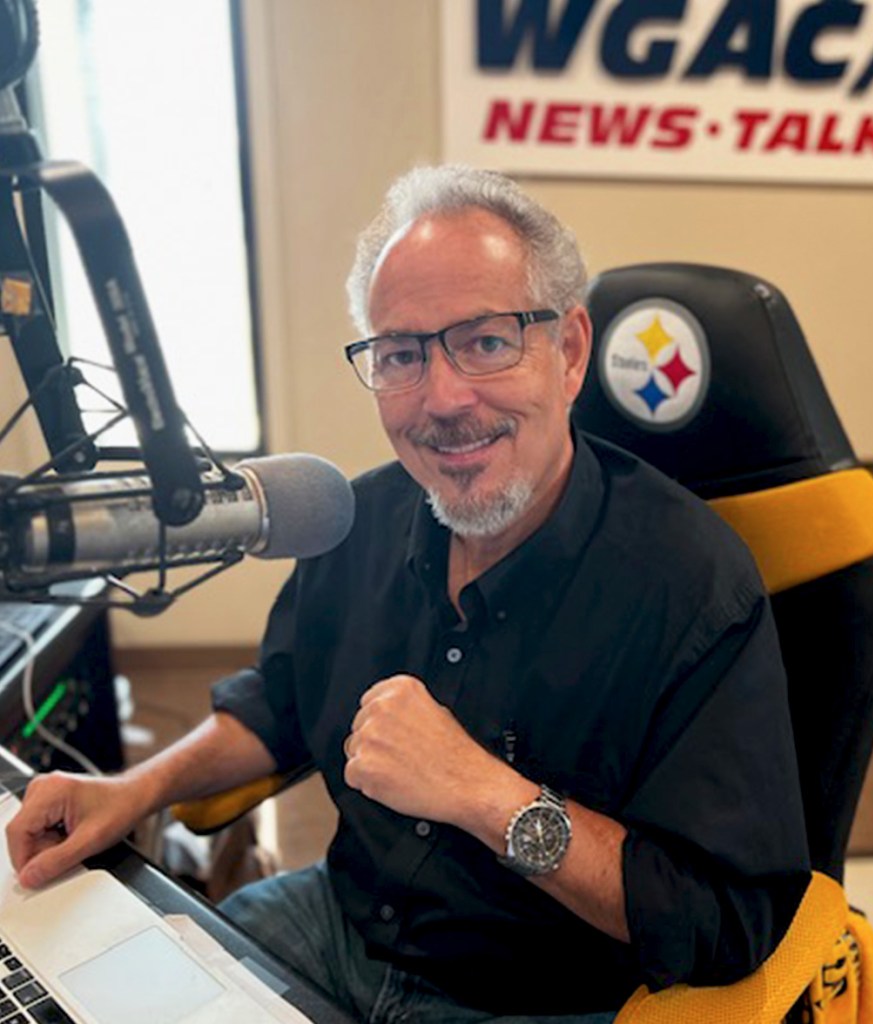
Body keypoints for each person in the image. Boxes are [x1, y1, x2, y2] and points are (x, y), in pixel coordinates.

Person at [5, 165, 810, 1022]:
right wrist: (135, 790)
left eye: (487, 341)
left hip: (533, 991)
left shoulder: (690, 581)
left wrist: (486, 794)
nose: (443, 399)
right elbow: (279, 701)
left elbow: (725, 919)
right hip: (340, 925)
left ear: (569, 351)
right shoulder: (360, 519)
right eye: (400, 355)